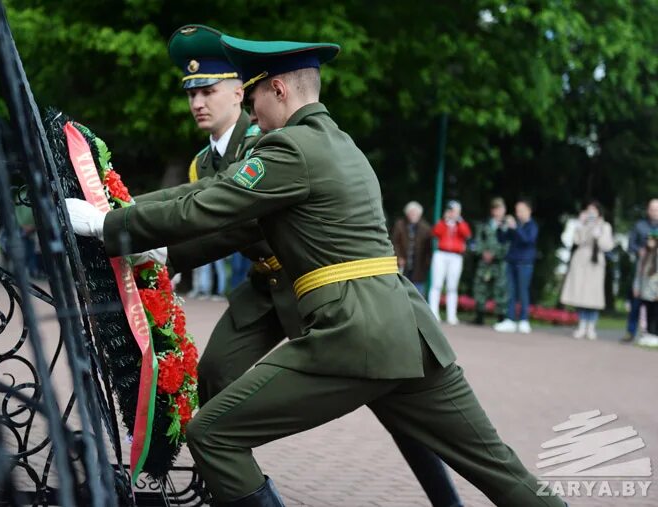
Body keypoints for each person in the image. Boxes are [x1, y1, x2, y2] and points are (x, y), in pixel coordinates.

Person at [66, 34, 565, 507]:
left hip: (355, 332)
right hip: (409, 329)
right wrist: (121, 214)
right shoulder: (340, 142)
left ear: (278, 89)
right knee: (500, 468)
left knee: (213, 434)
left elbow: (203, 207)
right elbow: (196, 196)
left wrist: (104, 223)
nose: (251, 107)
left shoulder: (289, 148)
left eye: (254, 92)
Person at [126, 26, 465, 506]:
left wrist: (165, 250)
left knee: (393, 396)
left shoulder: (270, 138)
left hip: (316, 283)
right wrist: (164, 256)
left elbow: (243, 224)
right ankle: (229, 483)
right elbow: (202, 213)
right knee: (215, 372)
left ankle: (445, 499)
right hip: (266, 287)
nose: (198, 102)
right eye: (191, 93)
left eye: (208, 90)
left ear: (240, 92)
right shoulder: (202, 164)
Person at [559, 201, 615, 340]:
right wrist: (581, 225)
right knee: (581, 294)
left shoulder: (605, 226)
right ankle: (582, 325)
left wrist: (598, 234)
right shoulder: (582, 224)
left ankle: (591, 326)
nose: (591, 213)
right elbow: (577, 241)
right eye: (588, 211)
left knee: (594, 295)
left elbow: (607, 246)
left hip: (595, 264)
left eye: (593, 211)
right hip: (581, 262)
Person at [494, 199, 539, 334]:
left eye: (521, 210)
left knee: (523, 291)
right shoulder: (516, 225)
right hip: (511, 262)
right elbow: (502, 239)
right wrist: (501, 227)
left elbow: (527, 240)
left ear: (529, 211)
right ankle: (510, 320)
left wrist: (516, 227)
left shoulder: (532, 226)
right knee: (511, 292)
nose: (518, 213)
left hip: (525, 264)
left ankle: (524, 320)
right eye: (517, 210)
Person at [428, 200, 471, 324]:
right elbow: (436, 232)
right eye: (451, 210)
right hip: (441, 254)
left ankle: (451, 315)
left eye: (455, 211)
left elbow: (467, 234)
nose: (453, 213)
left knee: (452, 286)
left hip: (456, 256)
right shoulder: (443, 222)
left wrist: (459, 221)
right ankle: (433, 312)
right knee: (437, 284)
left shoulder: (461, 223)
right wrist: (445, 221)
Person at [623, 198, 658, 342]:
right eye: (652, 209)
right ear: (647, 210)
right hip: (641, 269)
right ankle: (630, 332)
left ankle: (652, 333)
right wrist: (639, 251)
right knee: (636, 302)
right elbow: (631, 245)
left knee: (654, 305)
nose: (655, 212)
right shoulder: (639, 226)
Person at [472, 198, 510, 325]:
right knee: (480, 288)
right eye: (497, 209)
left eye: (501, 209)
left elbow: (508, 244)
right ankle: (479, 316)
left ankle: (501, 318)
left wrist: (496, 254)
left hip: (499, 263)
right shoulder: (484, 225)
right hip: (485, 262)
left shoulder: (507, 226)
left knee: (500, 289)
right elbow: (477, 241)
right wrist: (483, 252)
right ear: (492, 211)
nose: (499, 212)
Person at [390, 201, 431, 296]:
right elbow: (394, 242)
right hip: (402, 265)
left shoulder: (425, 228)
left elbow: (428, 249)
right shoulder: (399, 225)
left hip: (419, 267)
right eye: (411, 213)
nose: (413, 215)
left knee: (418, 293)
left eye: (416, 213)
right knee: (400, 291)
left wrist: (426, 264)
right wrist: (398, 257)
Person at [633, 231, 658, 336]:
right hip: (646, 291)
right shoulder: (645, 255)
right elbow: (639, 274)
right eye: (648, 239)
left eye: (651, 239)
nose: (649, 241)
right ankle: (649, 334)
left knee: (655, 314)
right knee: (648, 314)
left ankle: (655, 335)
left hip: (655, 291)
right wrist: (636, 287)